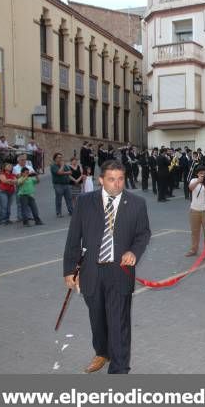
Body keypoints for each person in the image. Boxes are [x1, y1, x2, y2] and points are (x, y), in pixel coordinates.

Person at [62, 160, 151, 374]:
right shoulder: (84, 202)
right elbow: (74, 238)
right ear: (101, 180)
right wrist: (69, 271)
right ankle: (102, 353)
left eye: (120, 179)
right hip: (91, 271)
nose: (117, 184)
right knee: (97, 318)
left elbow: (143, 234)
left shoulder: (137, 203)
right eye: (111, 179)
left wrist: (134, 252)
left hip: (120, 271)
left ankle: (119, 370)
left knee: (119, 322)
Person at [186, 165, 205, 258]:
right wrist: (198, 181)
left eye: (204, 173)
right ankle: (193, 249)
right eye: (201, 173)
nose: (203, 175)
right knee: (194, 231)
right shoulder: (193, 181)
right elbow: (190, 188)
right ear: (197, 174)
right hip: (194, 209)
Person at [50, 153, 74, 217]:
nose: (60, 159)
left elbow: (70, 172)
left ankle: (71, 211)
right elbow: (59, 172)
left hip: (66, 184)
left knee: (69, 198)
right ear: (55, 159)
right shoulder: (53, 166)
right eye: (59, 157)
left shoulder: (65, 165)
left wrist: (63, 172)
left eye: (61, 157)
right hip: (58, 185)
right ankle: (58, 213)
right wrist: (62, 166)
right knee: (59, 199)